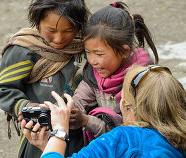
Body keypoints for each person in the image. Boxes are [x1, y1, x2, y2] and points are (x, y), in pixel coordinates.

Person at [22, 65, 186, 158]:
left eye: (121, 99)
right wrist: (48, 148)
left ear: (131, 109)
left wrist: (59, 131)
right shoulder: (181, 139)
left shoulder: (123, 140)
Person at [0, 0, 89, 158]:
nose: (59, 39)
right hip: (40, 137)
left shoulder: (86, 47)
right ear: (37, 22)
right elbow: (4, 89)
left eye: (68, 31)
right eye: (51, 30)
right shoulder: (24, 50)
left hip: (81, 136)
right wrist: (27, 106)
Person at [68, 1, 158, 145]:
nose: (92, 60)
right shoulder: (94, 74)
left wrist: (86, 121)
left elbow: (130, 132)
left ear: (124, 51)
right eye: (88, 52)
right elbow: (79, 100)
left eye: (99, 54)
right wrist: (64, 111)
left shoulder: (143, 82)